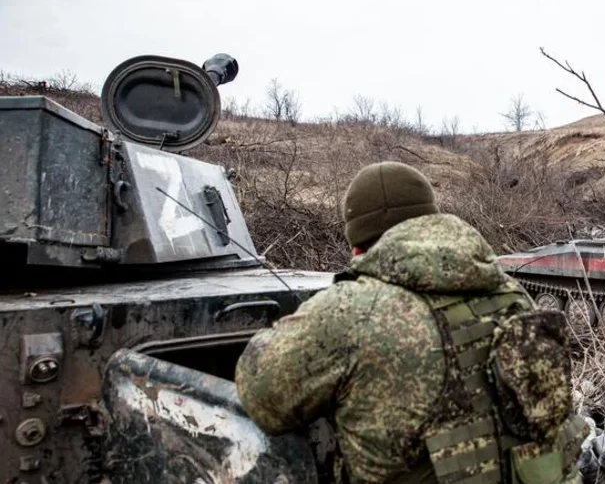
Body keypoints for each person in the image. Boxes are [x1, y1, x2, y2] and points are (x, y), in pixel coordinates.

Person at [235, 161, 585, 484]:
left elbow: (263, 398)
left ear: (357, 245)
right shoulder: (507, 290)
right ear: (432, 219)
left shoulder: (351, 309)